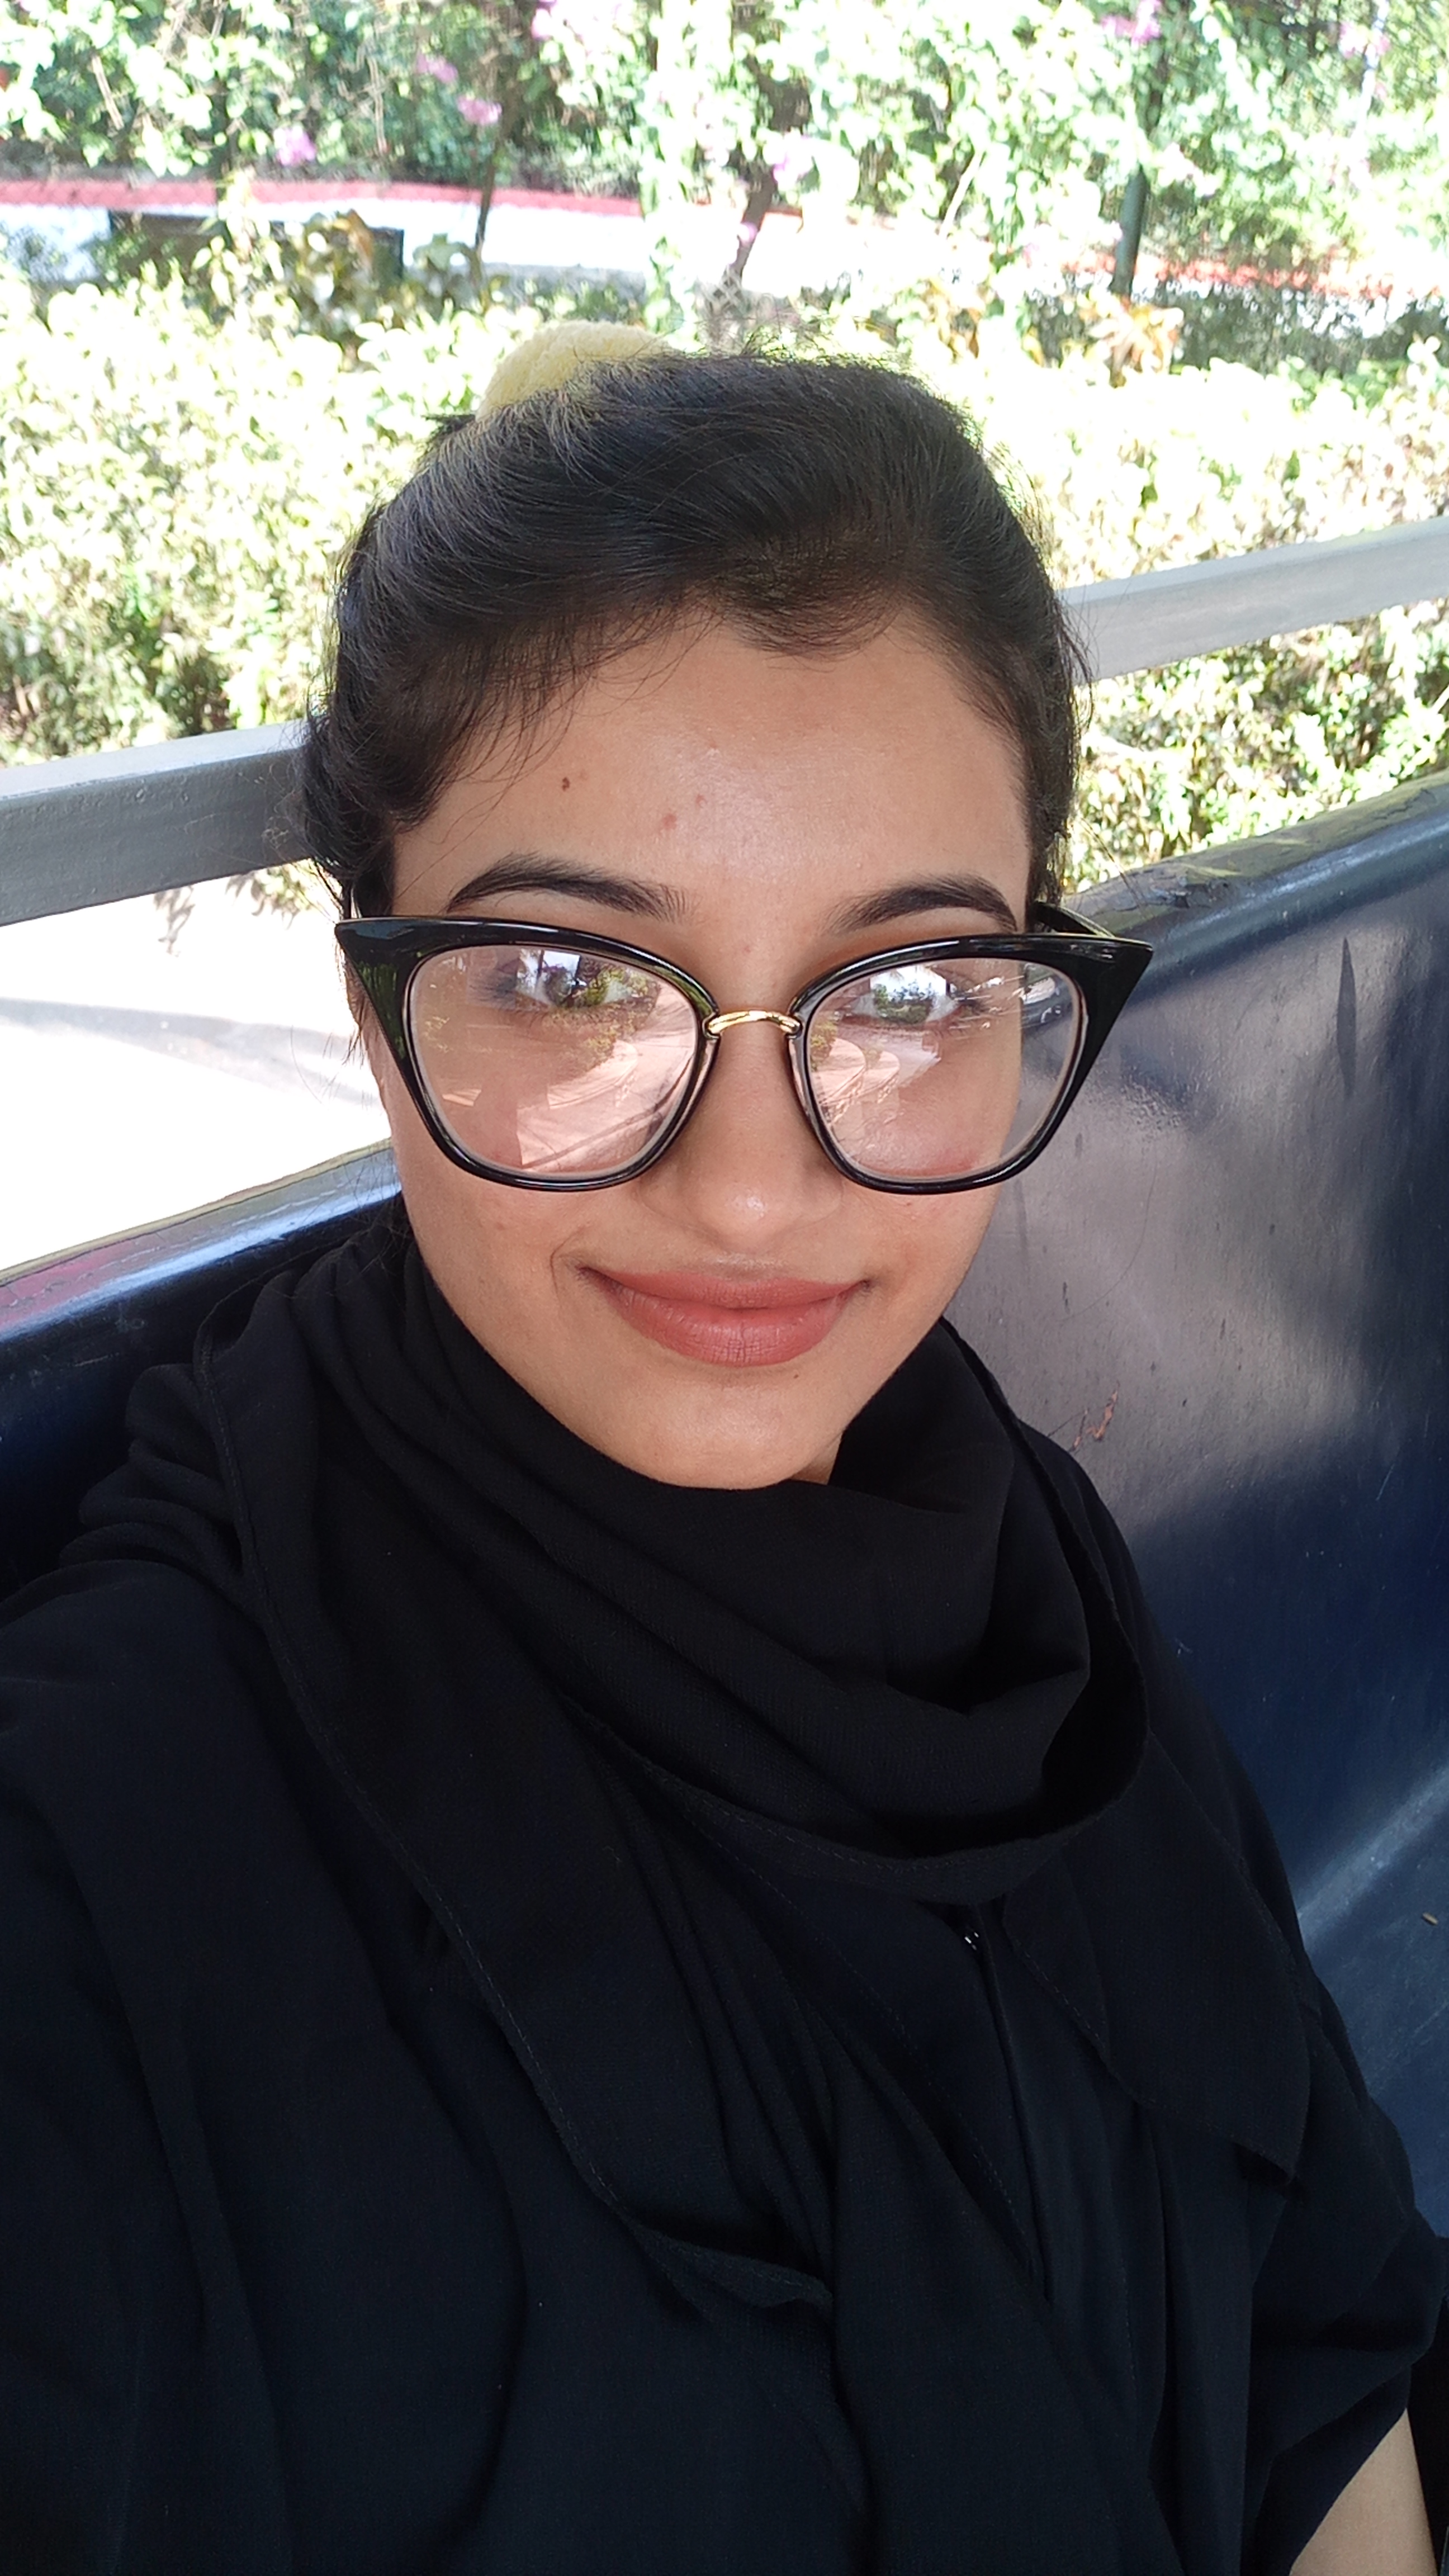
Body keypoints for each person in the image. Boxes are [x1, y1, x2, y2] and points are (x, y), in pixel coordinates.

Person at [0, 322, 1442, 2576]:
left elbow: (1315, 2349)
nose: (756, 1194)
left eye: (907, 991)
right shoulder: (108, 1860)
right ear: (375, 1003)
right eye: (568, 977)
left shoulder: (1023, 1564)